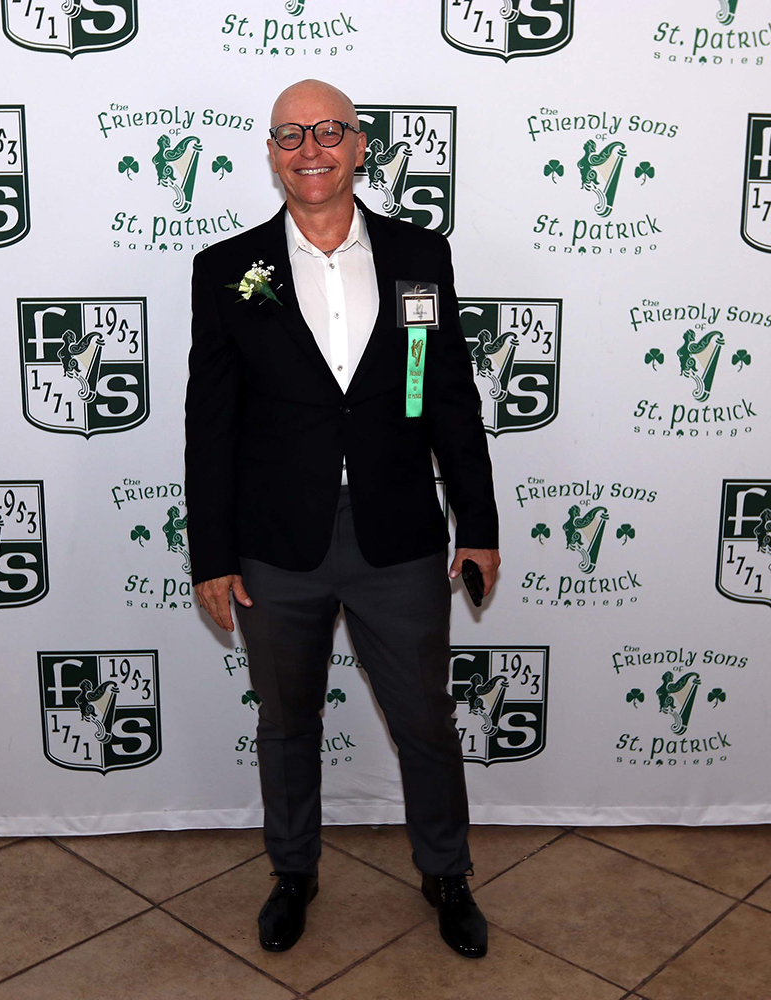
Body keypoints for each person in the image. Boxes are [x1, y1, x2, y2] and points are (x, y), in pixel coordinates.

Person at [184, 79, 499, 958]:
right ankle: (293, 871)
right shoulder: (226, 268)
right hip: (275, 545)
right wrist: (211, 553)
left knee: (425, 721)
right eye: (291, 135)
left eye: (328, 132)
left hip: (397, 536)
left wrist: (477, 522)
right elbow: (210, 424)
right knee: (287, 723)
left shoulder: (419, 254)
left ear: (360, 146)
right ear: (271, 152)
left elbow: (449, 396)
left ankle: (447, 873)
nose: (310, 150)